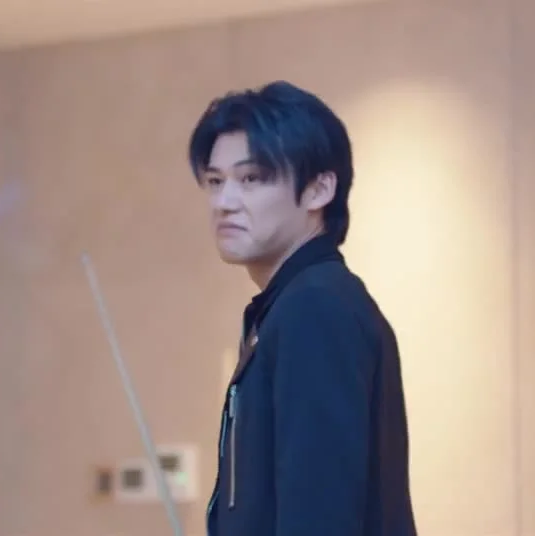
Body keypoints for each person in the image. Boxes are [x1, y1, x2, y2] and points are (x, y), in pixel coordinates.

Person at [189, 80, 419, 536]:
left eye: (251, 178)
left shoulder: (314, 307)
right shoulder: (295, 304)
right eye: (215, 181)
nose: (224, 202)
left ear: (318, 190)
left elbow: (320, 513)